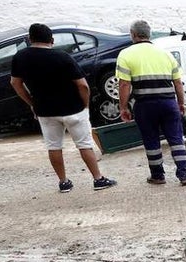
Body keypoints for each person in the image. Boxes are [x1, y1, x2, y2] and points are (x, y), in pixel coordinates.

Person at [10, 23, 117, 193]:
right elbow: (83, 86)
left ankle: (63, 182)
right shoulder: (62, 57)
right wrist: (85, 106)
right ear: (51, 40)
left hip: (45, 110)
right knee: (84, 145)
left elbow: (15, 83)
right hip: (73, 108)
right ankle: (98, 179)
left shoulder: (20, 57)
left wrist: (32, 103)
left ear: (30, 39)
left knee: (54, 146)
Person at [115, 20, 186, 186]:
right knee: (176, 138)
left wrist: (123, 107)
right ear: (149, 34)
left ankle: (158, 175)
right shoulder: (165, 54)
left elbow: (124, 84)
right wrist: (180, 103)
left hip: (145, 105)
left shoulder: (126, 54)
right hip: (168, 103)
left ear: (133, 34)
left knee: (151, 140)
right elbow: (178, 83)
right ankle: (185, 174)